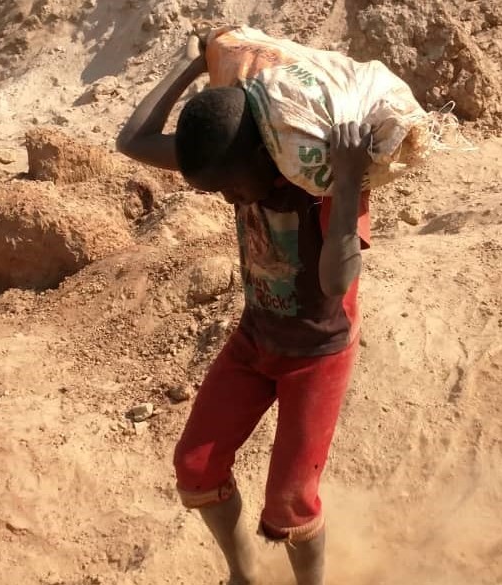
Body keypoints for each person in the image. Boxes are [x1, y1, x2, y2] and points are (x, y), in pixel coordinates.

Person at [116, 35, 373, 585]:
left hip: (317, 354)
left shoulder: (319, 180)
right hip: (255, 340)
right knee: (195, 465)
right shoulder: (229, 158)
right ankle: (243, 577)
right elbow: (132, 140)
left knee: (289, 502)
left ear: (262, 154)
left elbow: (336, 281)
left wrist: (350, 182)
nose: (230, 200)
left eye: (232, 188)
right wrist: (191, 64)